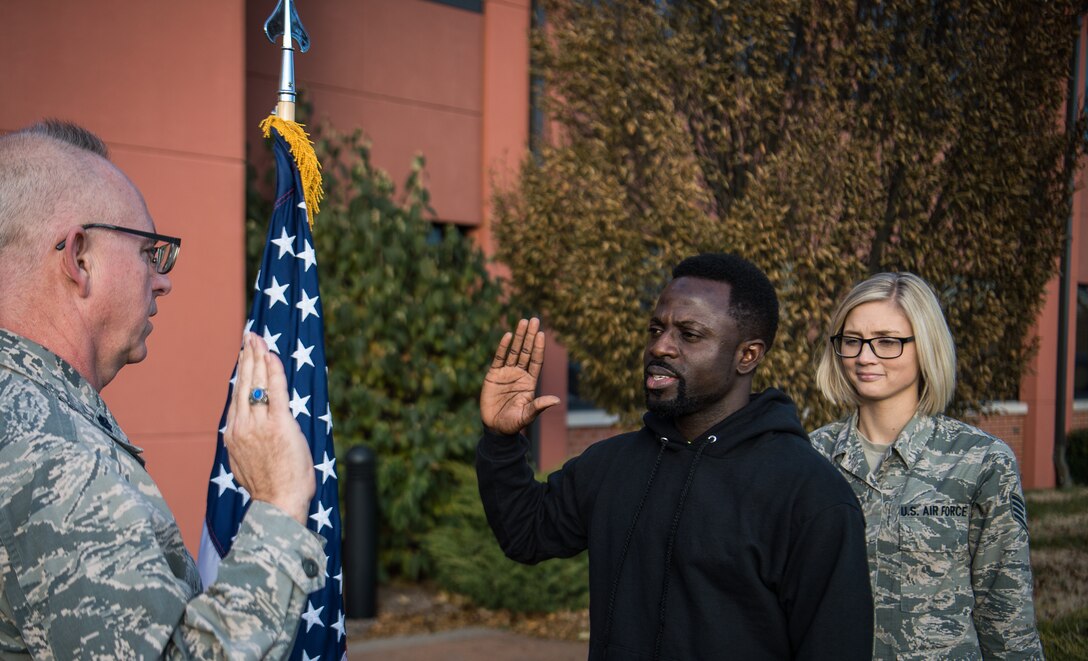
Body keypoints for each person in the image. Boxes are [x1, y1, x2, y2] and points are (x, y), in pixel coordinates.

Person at [0, 120, 324, 658]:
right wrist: (280, 504)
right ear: (79, 260)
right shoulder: (50, 455)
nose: (163, 279)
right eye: (150, 253)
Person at [476, 253, 874, 660]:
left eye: (689, 334)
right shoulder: (612, 465)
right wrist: (501, 438)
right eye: (656, 329)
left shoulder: (810, 494)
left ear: (747, 355)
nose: (660, 347)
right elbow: (525, 533)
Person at [810, 272, 1043, 659]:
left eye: (887, 342)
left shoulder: (982, 461)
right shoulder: (811, 457)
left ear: (926, 347)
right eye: (852, 341)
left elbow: (1006, 614)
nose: (865, 356)